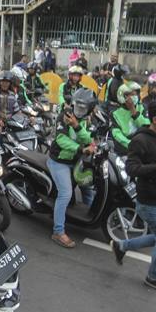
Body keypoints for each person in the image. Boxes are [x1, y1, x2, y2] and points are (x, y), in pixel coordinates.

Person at [112, 98, 156, 291]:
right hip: (149, 200)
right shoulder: (140, 140)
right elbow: (132, 168)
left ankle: (122, 246)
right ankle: (154, 277)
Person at [47, 88, 97, 248]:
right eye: (78, 106)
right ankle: (58, 231)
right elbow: (61, 139)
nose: (79, 110)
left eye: (84, 107)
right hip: (59, 161)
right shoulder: (65, 115)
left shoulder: (90, 120)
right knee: (66, 193)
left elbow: (89, 138)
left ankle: (89, 218)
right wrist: (81, 149)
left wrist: (76, 126)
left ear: (90, 108)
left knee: (88, 187)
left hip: (76, 162)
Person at [111, 83, 150, 154]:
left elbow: (147, 127)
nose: (134, 97)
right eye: (131, 95)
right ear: (123, 97)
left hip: (145, 147)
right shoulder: (115, 114)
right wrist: (131, 145)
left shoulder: (143, 107)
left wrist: (133, 111)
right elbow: (117, 135)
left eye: (135, 94)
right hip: (126, 150)